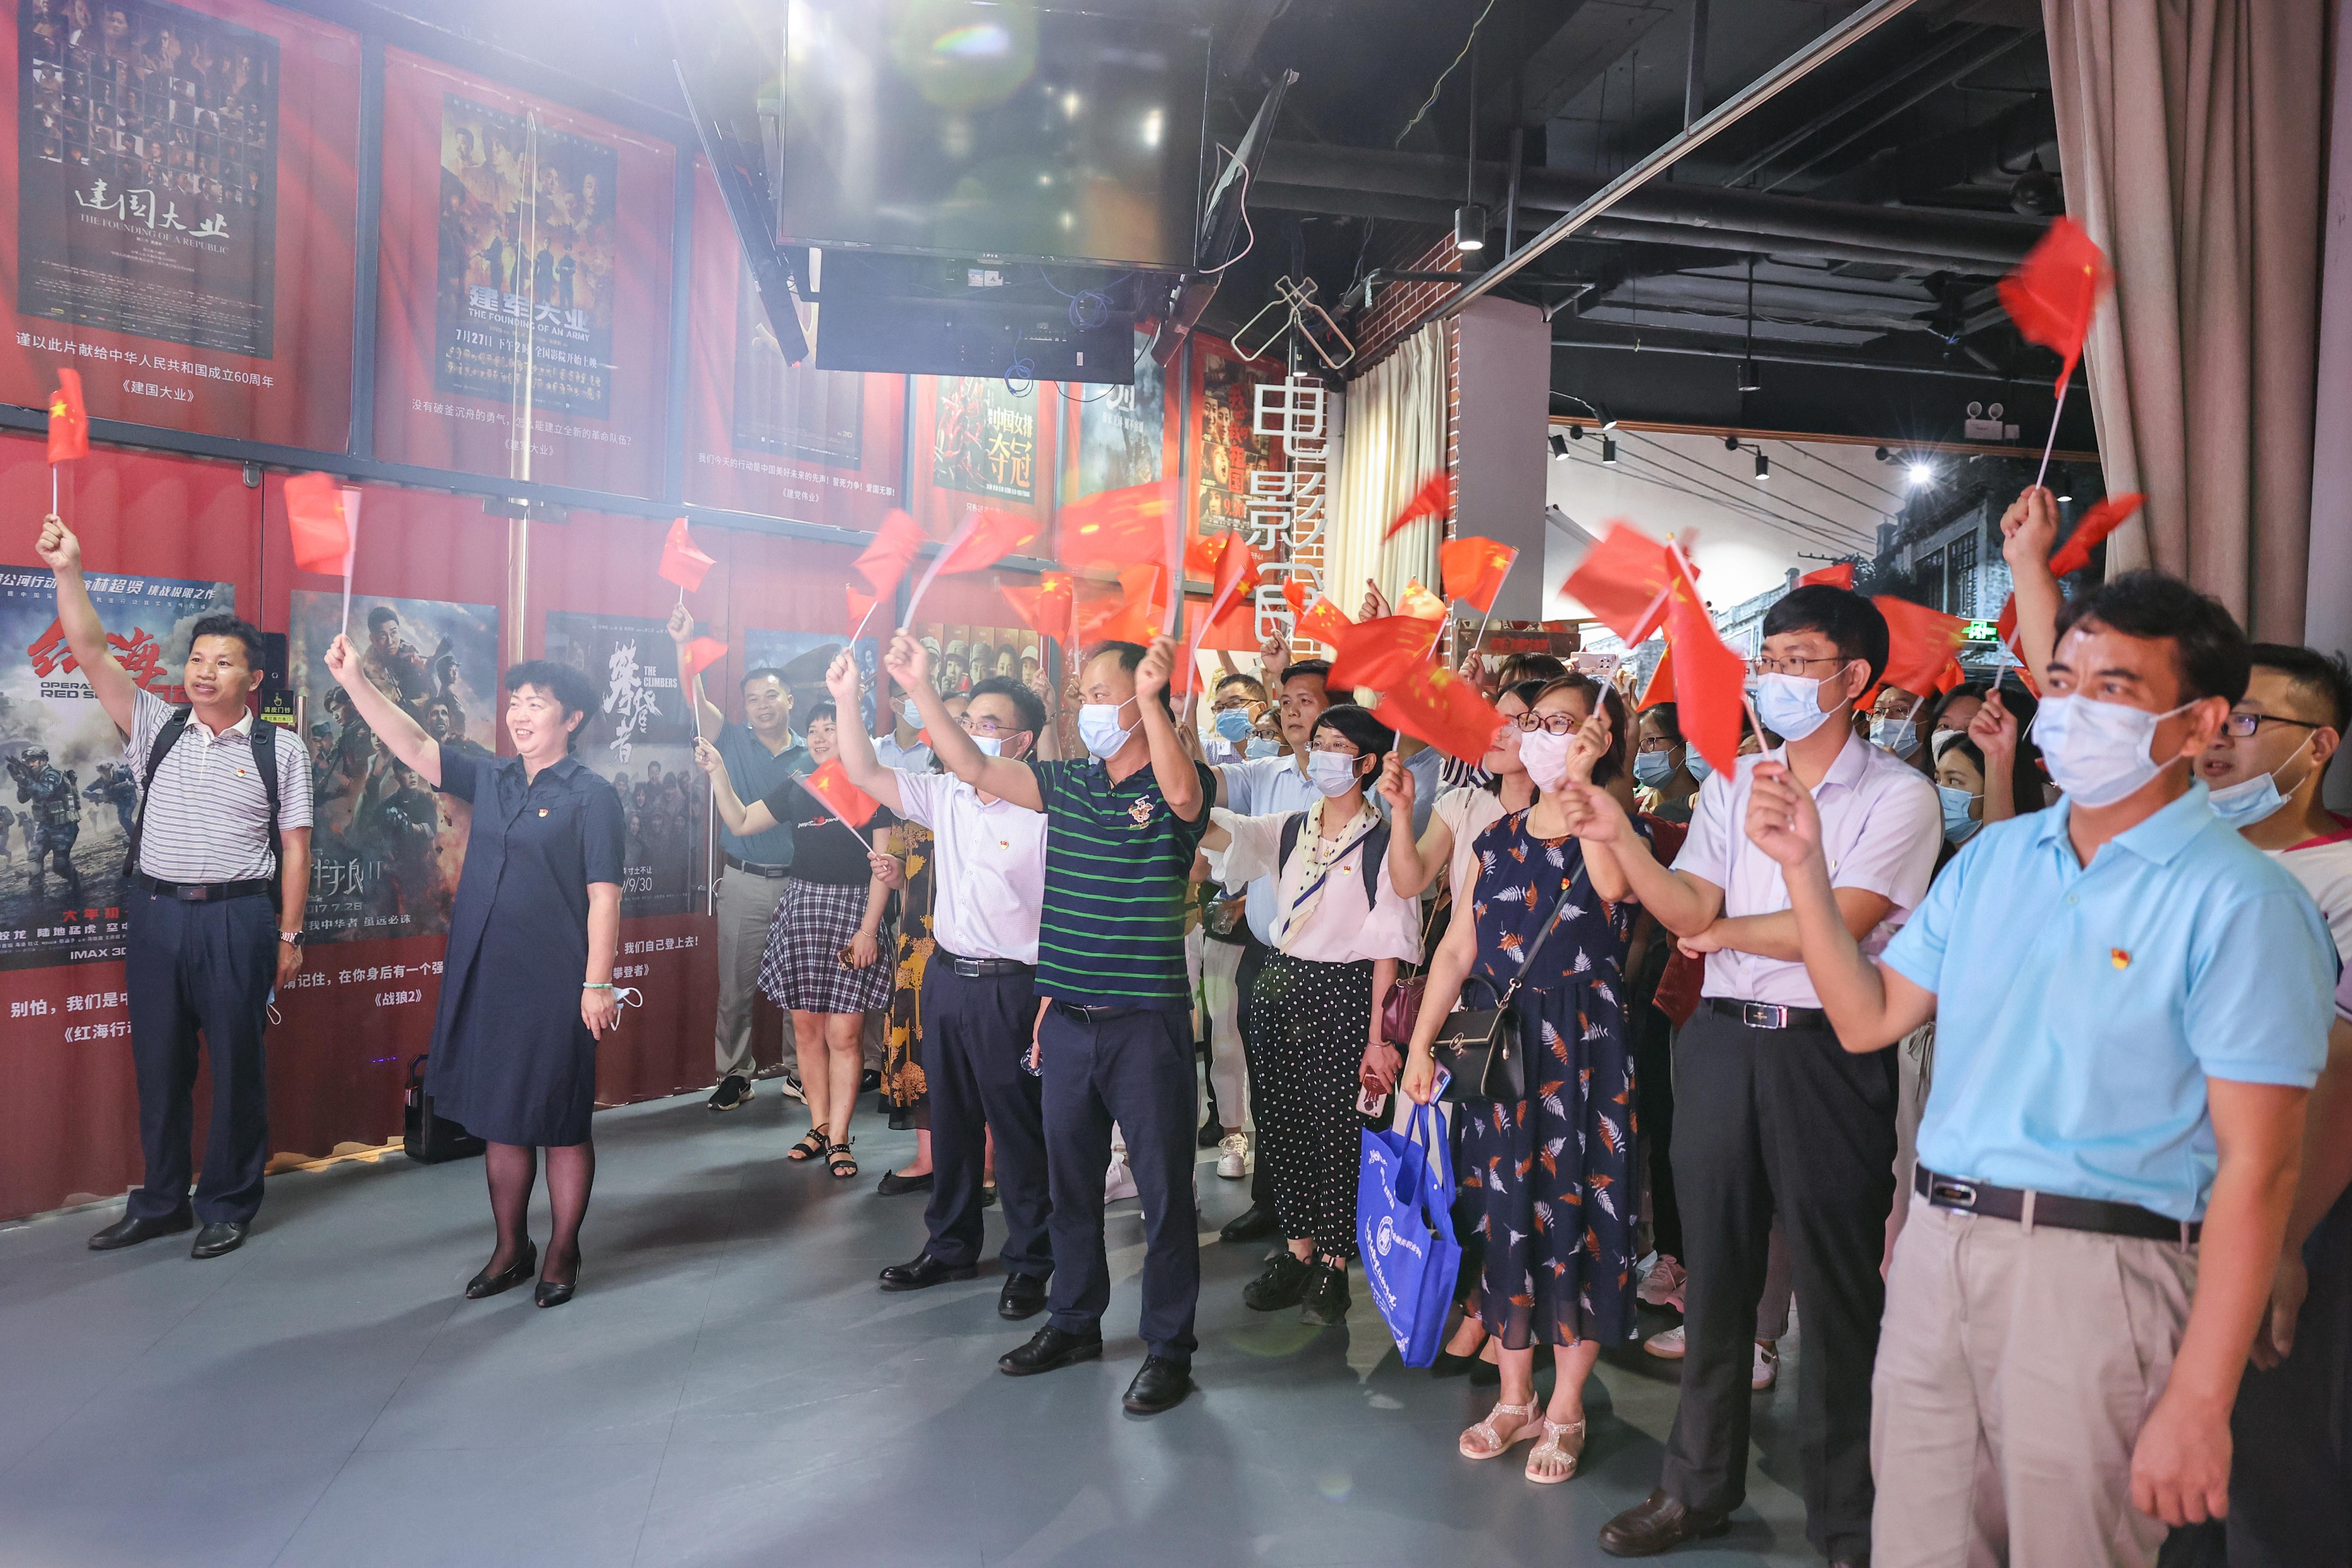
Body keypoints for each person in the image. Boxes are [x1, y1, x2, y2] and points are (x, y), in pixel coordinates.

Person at [1746, 567, 2333, 1567]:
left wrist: (2202, 1396)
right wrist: (1803, 868)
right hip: (1940, 1251)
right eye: (2061, 681)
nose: (2071, 709)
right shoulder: (1995, 859)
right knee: (1917, 1544)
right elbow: (1868, 1016)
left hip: (2106, 1271)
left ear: (2198, 725)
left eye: (2113, 689)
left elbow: (2260, 1167)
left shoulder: (2243, 903)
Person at [1568, 583, 1942, 1564]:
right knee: (1716, 1280)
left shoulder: (1897, 796)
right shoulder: (1734, 782)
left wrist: (1722, 931)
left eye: (1796, 662)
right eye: (1766, 661)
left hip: (1827, 1050)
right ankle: (1694, 1487)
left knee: (1835, 1289)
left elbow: (1841, 925)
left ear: (1854, 678)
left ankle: (1847, 1516)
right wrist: (1616, 834)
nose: (1773, 679)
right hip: (1721, 1042)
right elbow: (1685, 905)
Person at [922, 632, 1213, 1415]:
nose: (1087, 709)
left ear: (1142, 700)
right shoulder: (1068, 783)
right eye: (1082, 697)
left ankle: (1169, 1347)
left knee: (1163, 1194)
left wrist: (1153, 702)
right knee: (1070, 1184)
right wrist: (920, 689)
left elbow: (1186, 799)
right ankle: (1075, 1320)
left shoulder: (1179, 785)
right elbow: (974, 765)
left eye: (1101, 694)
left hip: (1144, 1024)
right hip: (1069, 1023)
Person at [41, 516, 312, 1262]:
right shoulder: (155, 726)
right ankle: (161, 1202)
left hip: (238, 919)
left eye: (223, 662)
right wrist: (69, 571)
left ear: (253, 679)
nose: (204, 672)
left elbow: (296, 847)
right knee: (159, 1069)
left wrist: (289, 936)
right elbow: (91, 651)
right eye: (197, 659)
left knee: (238, 1069)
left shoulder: (281, 749)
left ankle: (227, 1203)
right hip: (157, 915)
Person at [1398, 675, 1645, 1485]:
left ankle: (1566, 1404)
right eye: (1536, 722)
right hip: (1500, 1051)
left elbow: (1614, 892)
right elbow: (1456, 950)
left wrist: (1582, 788)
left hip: (1583, 1052)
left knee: (1580, 1215)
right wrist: (1420, 1045)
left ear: (1599, 739)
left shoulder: (1612, 828)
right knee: (1501, 1212)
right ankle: (1515, 1397)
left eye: (1563, 724)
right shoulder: (1494, 839)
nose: (1541, 736)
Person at [329, 640, 622, 1305]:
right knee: (502, 1116)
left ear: (572, 718)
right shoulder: (492, 779)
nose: (520, 715)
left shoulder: (593, 796)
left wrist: (597, 983)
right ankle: (511, 1248)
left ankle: (564, 1250)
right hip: (487, 972)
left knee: (561, 1117)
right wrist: (356, 682)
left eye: (536, 704)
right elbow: (413, 744)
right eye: (516, 703)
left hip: (559, 981)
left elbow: (605, 895)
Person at [837, 658, 1056, 1320]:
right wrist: (847, 697)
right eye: (967, 721)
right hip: (947, 977)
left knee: (1018, 1131)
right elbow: (863, 771)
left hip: (1014, 987)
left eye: (988, 723)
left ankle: (1032, 1261)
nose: (971, 733)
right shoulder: (947, 795)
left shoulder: (1047, 809)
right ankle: (951, 1245)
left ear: (1023, 742)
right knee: (952, 1120)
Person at [1205, 703, 1420, 1325]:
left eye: (1337, 746)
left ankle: (1332, 1261)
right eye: (1319, 741)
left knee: (1340, 1134)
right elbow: (1225, 834)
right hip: (1281, 984)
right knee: (1281, 1123)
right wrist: (1179, 797)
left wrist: (1379, 1037)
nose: (1321, 753)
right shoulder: (1293, 827)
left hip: (1346, 995)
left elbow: (1387, 950)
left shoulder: (1384, 841)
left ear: (1367, 763)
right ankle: (1297, 1251)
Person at [698, 701, 896, 1180]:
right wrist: (719, 772)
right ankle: (820, 1127)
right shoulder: (800, 787)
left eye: (833, 727)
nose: (822, 737)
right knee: (806, 1032)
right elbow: (741, 822)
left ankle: (841, 1137)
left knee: (844, 1035)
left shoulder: (875, 788)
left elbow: (883, 871)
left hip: (854, 916)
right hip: (804, 910)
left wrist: (869, 930)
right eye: (815, 730)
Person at [670, 606, 809, 1113]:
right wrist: (684, 645)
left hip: (802, 884)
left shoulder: (813, 753)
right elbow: (695, 699)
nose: (762, 706)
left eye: (771, 696)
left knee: (801, 986)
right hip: (745, 880)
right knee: (735, 987)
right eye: (752, 699)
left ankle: (802, 1071)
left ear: (790, 700)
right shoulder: (729, 737)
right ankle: (735, 1074)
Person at [1634, 701, 1702, 825]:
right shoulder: (1637, 808)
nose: (1640, 753)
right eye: (1636, 744)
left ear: (1683, 745)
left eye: (1650, 741)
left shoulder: (1706, 808)